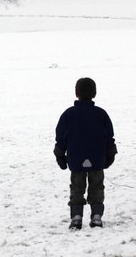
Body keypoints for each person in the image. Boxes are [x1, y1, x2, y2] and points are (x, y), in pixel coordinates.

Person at [54, 77, 117, 230]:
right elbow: (109, 137)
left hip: (76, 159)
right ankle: (96, 217)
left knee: (76, 187)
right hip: (97, 158)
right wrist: (110, 155)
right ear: (94, 93)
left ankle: (76, 217)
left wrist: (60, 155)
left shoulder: (68, 114)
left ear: (77, 93)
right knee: (97, 187)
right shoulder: (101, 114)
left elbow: (60, 137)